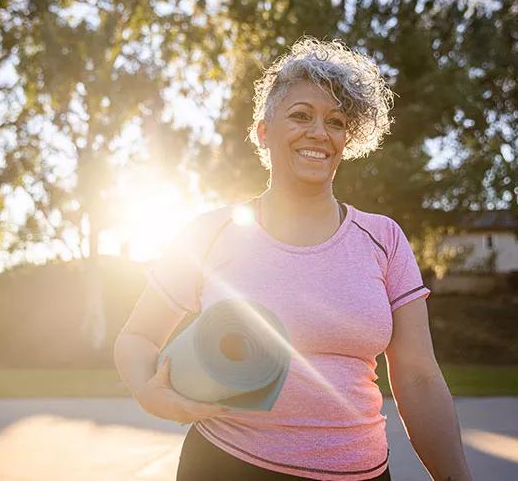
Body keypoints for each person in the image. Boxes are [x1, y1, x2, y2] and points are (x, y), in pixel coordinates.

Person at [113, 36, 473, 481]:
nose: (319, 133)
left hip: (363, 473)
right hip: (228, 466)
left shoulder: (383, 239)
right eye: (300, 115)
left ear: (348, 138)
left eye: (336, 122)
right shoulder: (210, 233)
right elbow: (137, 337)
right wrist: (151, 395)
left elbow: (418, 378)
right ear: (264, 131)